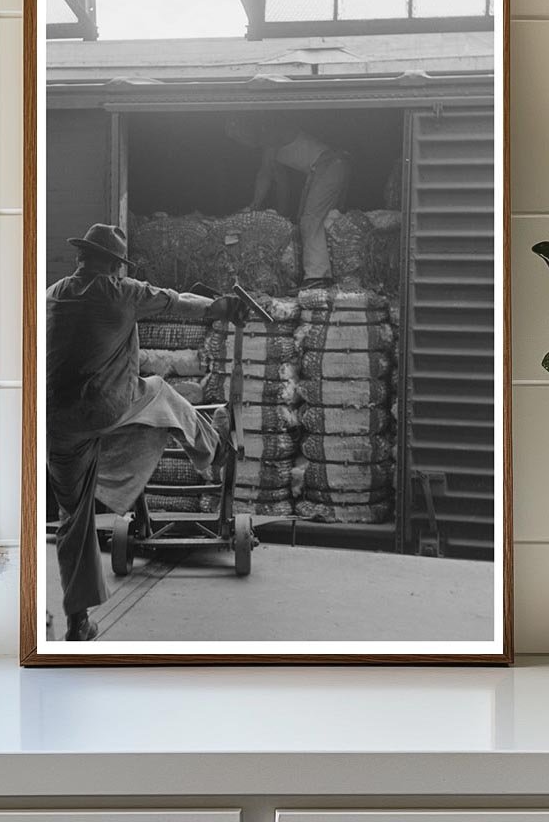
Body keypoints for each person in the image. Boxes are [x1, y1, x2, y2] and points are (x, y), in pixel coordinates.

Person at [46, 223, 244, 641]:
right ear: (115, 266)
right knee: (159, 391)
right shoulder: (119, 292)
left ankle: (78, 622)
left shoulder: (53, 294)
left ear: (81, 258)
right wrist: (221, 307)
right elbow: (180, 304)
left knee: (74, 519)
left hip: (54, 421)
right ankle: (213, 449)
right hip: (104, 408)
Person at [225, 115, 350, 290]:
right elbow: (281, 182)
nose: (242, 142)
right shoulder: (272, 147)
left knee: (311, 220)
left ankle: (318, 277)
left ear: (247, 129)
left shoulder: (270, 133)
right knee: (306, 220)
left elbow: (265, 173)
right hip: (323, 168)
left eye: (240, 136)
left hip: (329, 165)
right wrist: (283, 216)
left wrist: (254, 205)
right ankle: (322, 272)